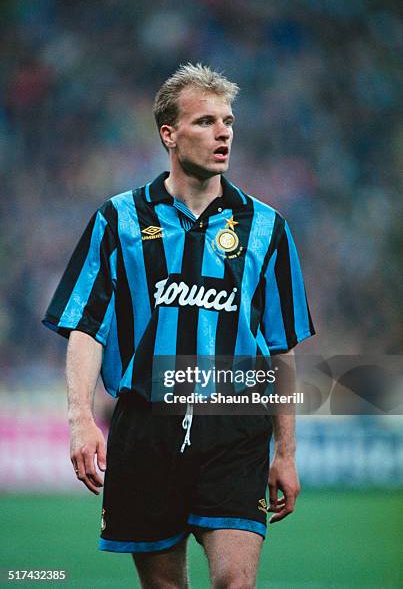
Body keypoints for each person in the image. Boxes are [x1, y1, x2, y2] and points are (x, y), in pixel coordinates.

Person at [43, 63, 315, 588]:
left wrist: (285, 452)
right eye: (206, 121)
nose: (224, 133)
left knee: (235, 582)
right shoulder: (117, 219)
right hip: (145, 425)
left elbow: (281, 350)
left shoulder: (267, 227)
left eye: (229, 121)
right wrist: (80, 418)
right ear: (169, 133)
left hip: (235, 420)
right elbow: (85, 328)